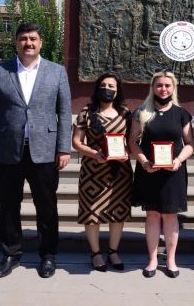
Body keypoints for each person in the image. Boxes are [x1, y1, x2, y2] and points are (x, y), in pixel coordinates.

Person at [0, 22, 72, 279]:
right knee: (9, 205)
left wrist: (63, 148)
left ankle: (48, 254)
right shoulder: (1, 71)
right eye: (23, 38)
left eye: (33, 38)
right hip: (7, 151)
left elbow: (65, 113)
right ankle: (11, 253)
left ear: (41, 43)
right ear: (16, 42)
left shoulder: (57, 72)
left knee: (46, 206)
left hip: (45, 151)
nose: (28, 43)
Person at [129, 70, 194, 278]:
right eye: (159, 85)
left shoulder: (181, 113)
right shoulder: (142, 112)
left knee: (170, 216)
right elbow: (132, 141)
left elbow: (190, 144)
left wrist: (179, 160)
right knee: (152, 215)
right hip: (149, 170)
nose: (163, 89)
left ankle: (171, 259)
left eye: (167, 85)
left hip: (173, 172)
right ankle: (152, 259)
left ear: (173, 88)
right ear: (152, 87)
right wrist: (144, 162)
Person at [72, 73, 133, 272]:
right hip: (93, 171)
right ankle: (96, 253)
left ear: (117, 90)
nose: (107, 89)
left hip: (120, 173)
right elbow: (76, 142)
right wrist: (94, 154)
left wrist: (128, 152)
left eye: (112, 86)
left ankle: (113, 251)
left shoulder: (126, 113)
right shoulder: (86, 113)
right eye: (104, 85)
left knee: (117, 212)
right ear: (98, 87)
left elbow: (133, 141)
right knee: (92, 212)